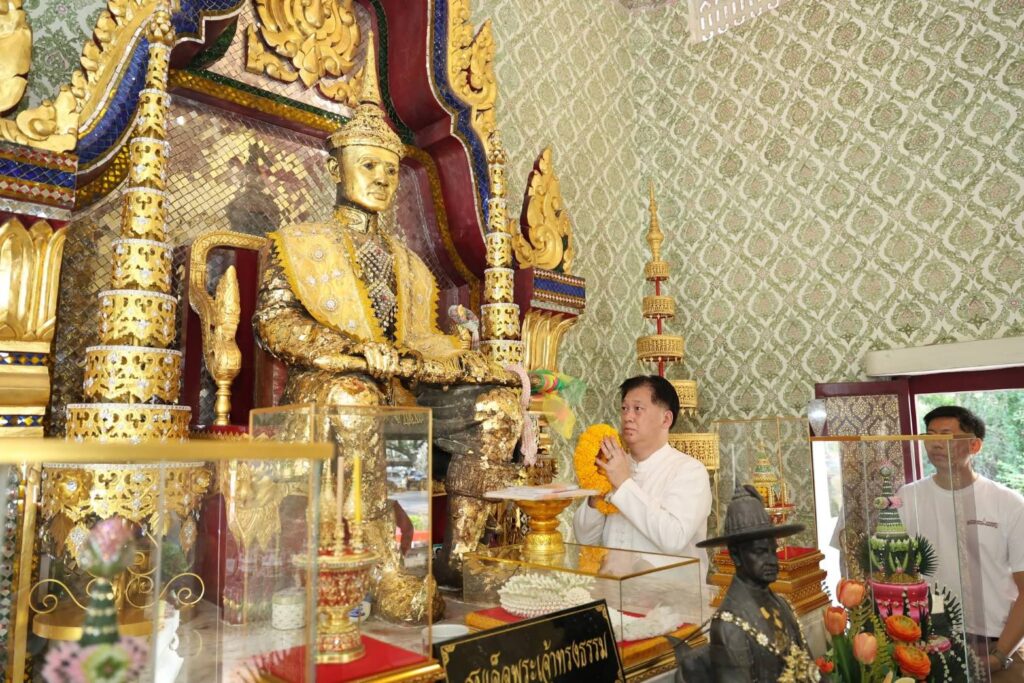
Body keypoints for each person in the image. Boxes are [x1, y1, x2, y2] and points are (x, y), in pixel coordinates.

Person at [253, 36, 523, 619]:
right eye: (368, 165)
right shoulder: (297, 245)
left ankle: (459, 555)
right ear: (336, 169)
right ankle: (383, 566)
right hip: (330, 386)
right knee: (359, 401)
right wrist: (349, 351)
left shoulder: (409, 264)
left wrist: (464, 360)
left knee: (498, 405)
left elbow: (421, 339)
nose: (381, 178)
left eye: (391, 170)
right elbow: (273, 322)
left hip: (402, 385)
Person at [897, 405, 1024, 681]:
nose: (936, 444)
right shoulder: (907, 498)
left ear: (974, 445)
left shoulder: (1010, 504)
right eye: (930, 436)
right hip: (928, 642)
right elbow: (894, 574)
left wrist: (999, 656)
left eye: (946, 435)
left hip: (995, 642)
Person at [572, 375, 712, 573]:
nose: (628, 417)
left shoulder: (689, 471)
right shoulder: (614, 465)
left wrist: (623, 483)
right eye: (624, 408)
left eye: (638, 409)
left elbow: (673, 539)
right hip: (613, 588)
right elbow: (585, 540)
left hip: (669, 592)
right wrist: (597, 492)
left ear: (666, 419)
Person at [696, 486, 818, 682]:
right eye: (760, 552)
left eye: (773, 551)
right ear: (736, 555)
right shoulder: (728, 625)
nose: (772, 560)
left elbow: (809, 670)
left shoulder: (782, 604)